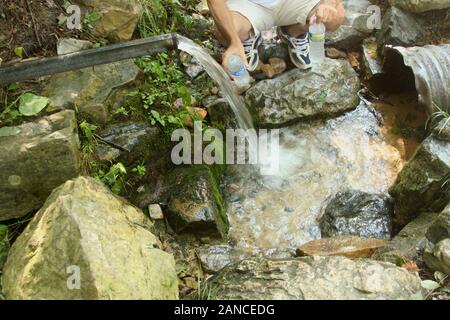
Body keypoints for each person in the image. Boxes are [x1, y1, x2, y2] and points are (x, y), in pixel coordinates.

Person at [207, 0, 345, 72]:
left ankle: (295, 31)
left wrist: (328, 3)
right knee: (223, 33)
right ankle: (248, 35)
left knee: (335, 16)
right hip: (248, 4)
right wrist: (234, 42)